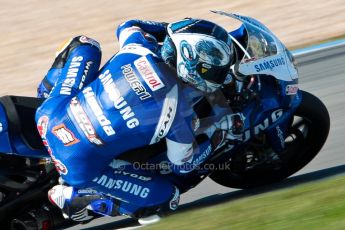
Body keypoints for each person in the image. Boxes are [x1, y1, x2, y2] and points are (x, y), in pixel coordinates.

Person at [2, 18, 245, 222]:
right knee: (166, 198)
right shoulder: (180, 110)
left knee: (85, 45)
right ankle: (75, 197)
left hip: (50, 114)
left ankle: (46, 89)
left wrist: (166, 29)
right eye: (212, 70)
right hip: (76, 163)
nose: (219, 76)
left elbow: (128, 25)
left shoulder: (139, 46)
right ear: (189, 65)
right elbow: (182, 165)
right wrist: (218, 136)